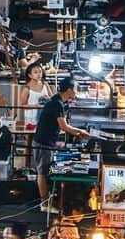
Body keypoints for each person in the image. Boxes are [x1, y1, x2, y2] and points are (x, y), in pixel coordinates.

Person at [33, 76, 91, 207]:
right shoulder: (56, 103)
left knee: (45, 172)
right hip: (43, 143)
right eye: (75, 89)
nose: (76, 92)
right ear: (69, 90)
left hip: (47, 142)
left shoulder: (59, 102)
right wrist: (81, 133)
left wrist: (78, 133)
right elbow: (64, 127)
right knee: (42, 174)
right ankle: (44, 204)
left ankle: (47, 201)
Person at [18, 60, 50, 131]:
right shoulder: (27, 88)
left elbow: (53, 100)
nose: (39, 74)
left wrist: (48, 99)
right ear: (30, 75)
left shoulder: (45, 84)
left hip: (44, 116)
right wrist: (36, 106)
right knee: (30, 137)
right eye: (35, 72)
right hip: (31, 118)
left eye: (40, 72)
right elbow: (22, 105)